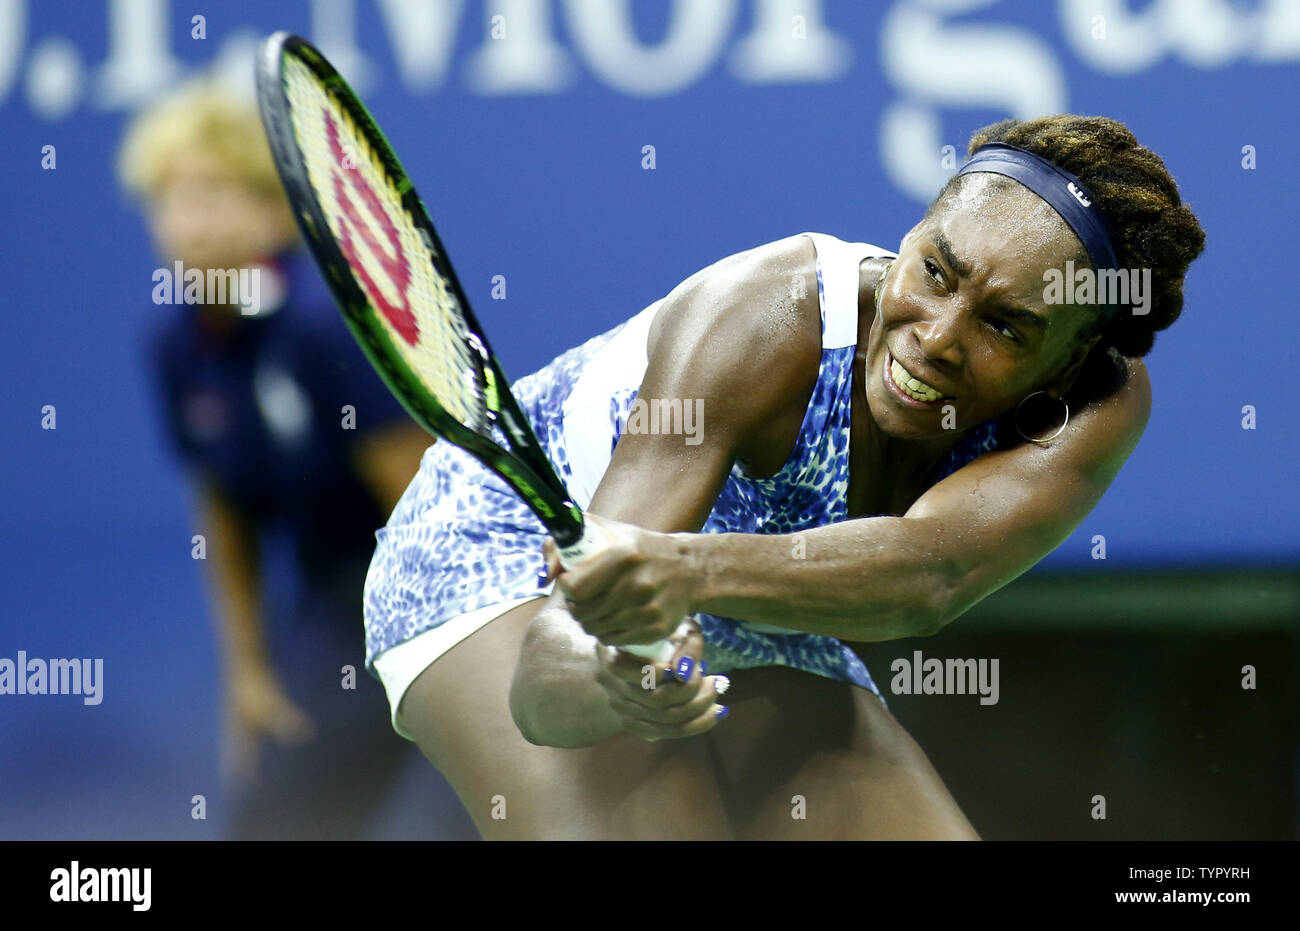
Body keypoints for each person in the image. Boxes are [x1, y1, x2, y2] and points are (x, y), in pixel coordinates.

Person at [363, 115, 1206, 839]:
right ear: (909, 240)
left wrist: (688, 569)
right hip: (498, 555)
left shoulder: (1097, 404)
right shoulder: (763, 319)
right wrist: (619, 681)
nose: (939, 337)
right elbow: (540, 690)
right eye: (935, 273)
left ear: (1070, 364)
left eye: (1007, 326)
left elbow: (929, 574)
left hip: (736, 587)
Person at [119, 80, 472, 839]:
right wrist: (246, 674)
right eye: (171, 199)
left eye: (214, 194)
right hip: (324, 616)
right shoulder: (174, 346)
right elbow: (221, 507)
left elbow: (428, 506)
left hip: (437, 603)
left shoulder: (325, 325)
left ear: (275, 211)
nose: (189, 221)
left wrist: (463, 679)